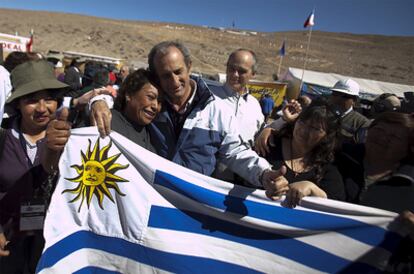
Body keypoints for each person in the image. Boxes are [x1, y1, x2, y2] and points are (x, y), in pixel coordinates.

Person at [91, 41, 286, 191]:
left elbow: (235, 152)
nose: (174, 81)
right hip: (149, 194)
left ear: (189, 67)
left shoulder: (216, 109)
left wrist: (263, 173)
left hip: (192, 204)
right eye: (166, 75)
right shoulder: (154, 104)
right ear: (156, 75)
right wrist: (98, 101)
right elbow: (123, 104)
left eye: (178, 72)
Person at [0, 60, 68, 272]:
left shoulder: (70, 139)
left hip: (51, 250)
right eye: (31, 100)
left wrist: (98, 101)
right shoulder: (3, 139)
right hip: (7, 250)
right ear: (18, 103)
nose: (42, 108)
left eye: (49, 98)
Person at [43, 68, 162, 174]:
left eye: (160, 102)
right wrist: (53, 150)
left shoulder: (155, 134)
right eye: (150, 97)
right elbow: (64, 167)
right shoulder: (101, 119)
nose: (155, 106)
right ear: (129, 95)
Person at [264, 97, 345, 208]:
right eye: (302, 122)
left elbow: (338, 205)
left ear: (327, 136)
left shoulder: (328, 165)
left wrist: (313, 189)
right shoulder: (270, 144)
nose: (304, 130)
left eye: (315, 128)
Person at [336, 112, 414, 207]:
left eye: (394, 137)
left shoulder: (409, 181)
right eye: (379, 130)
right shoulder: (336, 156)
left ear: (409, 147)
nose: (382, 137)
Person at [209, 49, 264, 146]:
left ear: (253, 74)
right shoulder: (208, 95)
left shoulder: (254, 105)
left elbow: (260, 134)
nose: (235, 74)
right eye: (231, 68)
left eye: (241, 71)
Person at [328, 79, 371, 144]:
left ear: (354, 100)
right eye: (335, 94)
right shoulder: (321, 113)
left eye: (345, 96)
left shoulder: (362, 123)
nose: (338, 99)